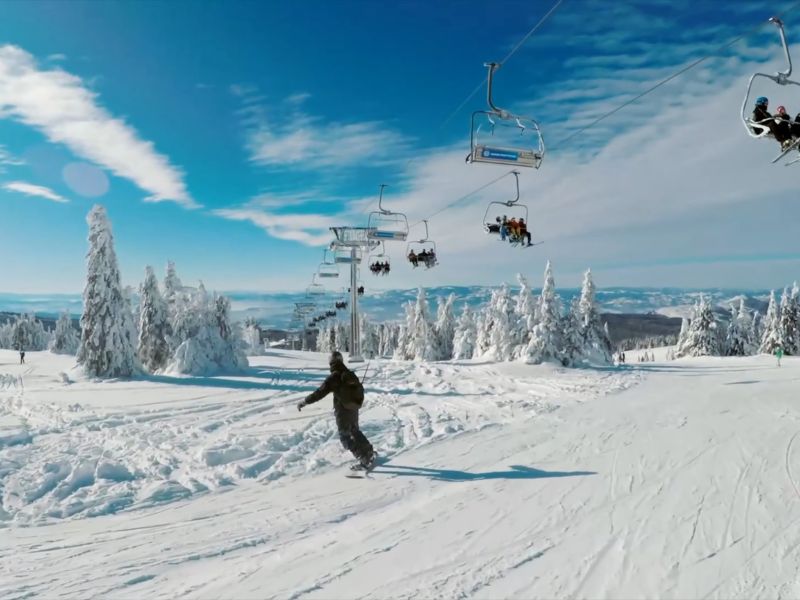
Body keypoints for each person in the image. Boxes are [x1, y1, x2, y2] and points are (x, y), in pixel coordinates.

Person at [297, 351, 376, 470]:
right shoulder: (349, 374)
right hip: (353, 408)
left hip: (342, 411)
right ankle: (369, 452)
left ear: (331, 362)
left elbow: (319, 393)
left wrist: (305, 401)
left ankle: (363, 458)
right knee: (355, 431)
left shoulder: (334, 377)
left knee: (345, 437)